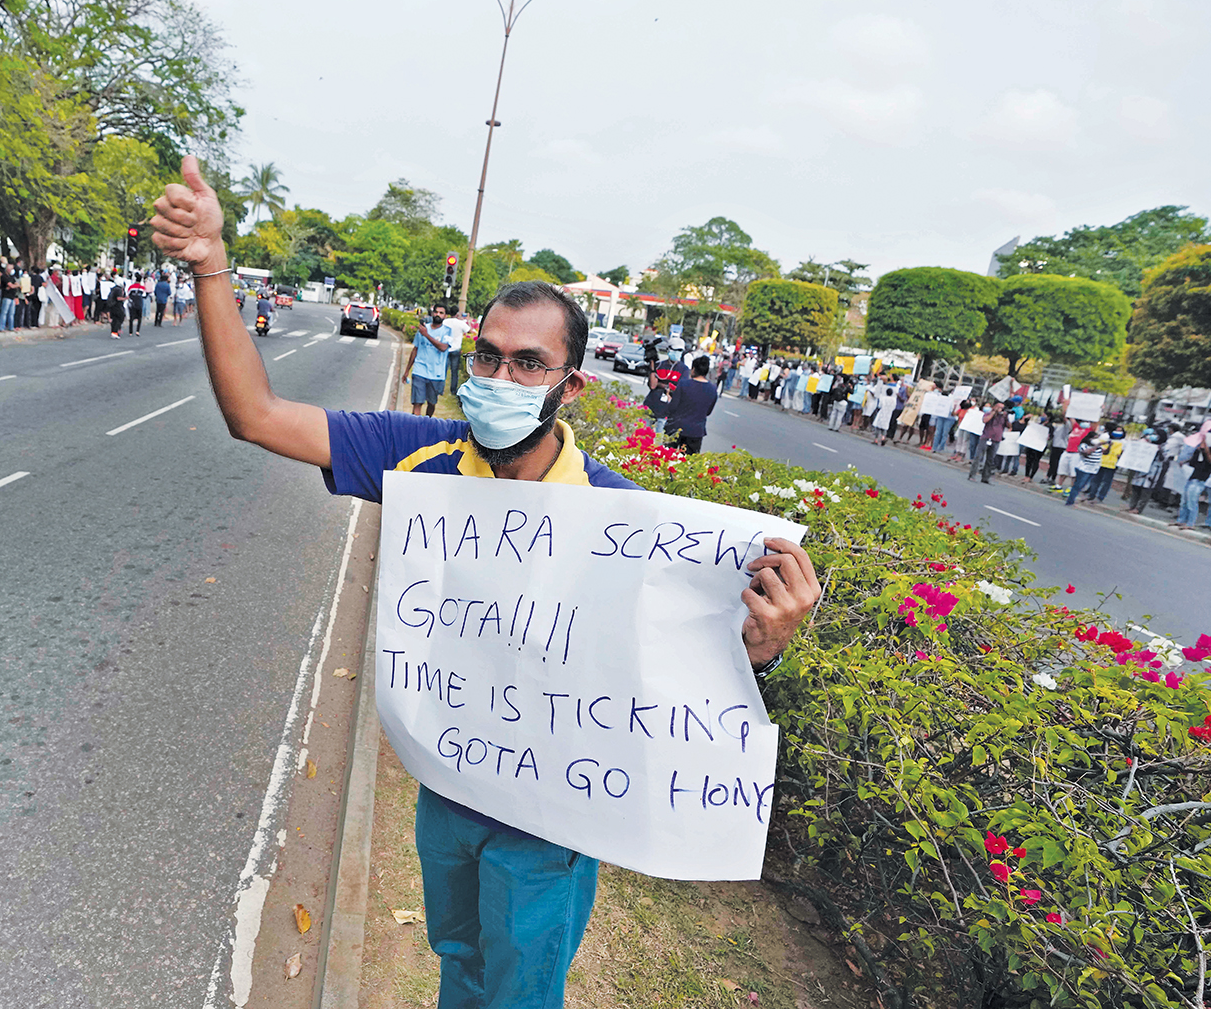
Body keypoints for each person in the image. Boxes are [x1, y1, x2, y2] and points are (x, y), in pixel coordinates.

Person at [151, 159, 821, 1008]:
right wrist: (212, 263)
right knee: (458, 963)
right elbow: (255, 414)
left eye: (529, 365)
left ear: (571, 386)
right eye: (488, 357)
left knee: (519, 993)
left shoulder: (626, 518)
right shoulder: (419, 458)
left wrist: (761, 646)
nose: (499, 381)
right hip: (454, 791)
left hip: (553, 823)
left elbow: (680, 675)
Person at [403, 303, 461, 417]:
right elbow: (415, 349)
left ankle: (426, 423)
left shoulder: (447, 331)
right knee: (417, 403)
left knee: (431, 403)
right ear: (432, 313)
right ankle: (415, 427)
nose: (438, 315)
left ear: (445, 316)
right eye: (436, 312)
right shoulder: (423, 329)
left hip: (436, 374)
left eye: (441, 313)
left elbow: (443, 347)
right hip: (419, 371)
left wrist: (427, 335)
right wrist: (406, 371)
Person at [665, 354, 718, 454]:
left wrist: (669, 399)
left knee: (667, 456)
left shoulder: (684, 384)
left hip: (676, 427)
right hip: (696, 431)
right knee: (688, 462)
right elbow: (708, 412)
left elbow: (672, 407)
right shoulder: (712, 389)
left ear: (693, 369)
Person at [1172, 422, 1211, 530]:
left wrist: (1205, 449)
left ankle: (1190, 523)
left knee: (1192, 501)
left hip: (1200, 478)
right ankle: (1181, 520)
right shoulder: (1199, 449)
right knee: (1184, 500)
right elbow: (1193, 460)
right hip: (1192, 476)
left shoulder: (1207, 449)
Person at [1084, 426, 1126, 503]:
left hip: (1112, 464)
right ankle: (1091, 495)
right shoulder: (1105, 440)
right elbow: (1103, 450)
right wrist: (1109, 445)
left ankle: (1100, 497)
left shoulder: (1124, 443)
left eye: (1120, 431)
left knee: (1106, 482)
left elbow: (1123, 453)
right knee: (1096, 480)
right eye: (1116, 430)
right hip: (1101, 462)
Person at [1065, 429, 1107, 506]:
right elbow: (1086, 453)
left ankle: (1073, 500)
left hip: (1093, 469)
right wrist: (1096, 446)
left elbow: (1106, 452)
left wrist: (1108, 445)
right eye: (1094, 438)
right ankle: (1070, 501)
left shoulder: (1099, 447)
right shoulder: (1084, 445)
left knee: (1083, 486)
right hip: (1084, 468)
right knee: (1078, 485)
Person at [969, 401, 1008, 484]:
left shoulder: (1003, 416)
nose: (1000, 409)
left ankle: (985, 477)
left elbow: (1009, 426)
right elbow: (985, 420)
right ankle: (972, 475)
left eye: (1002, 407)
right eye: (999, 407)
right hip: (986, 437)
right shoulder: (989, 413)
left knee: (990, 459)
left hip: (996, 439)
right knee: (978, 457)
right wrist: (994, 413)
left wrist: (1006, 416)